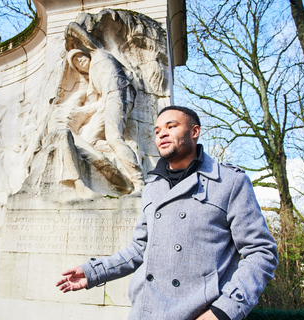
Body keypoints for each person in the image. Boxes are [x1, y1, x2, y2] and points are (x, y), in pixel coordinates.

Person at [56, 106, 278, 320]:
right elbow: (139, 249)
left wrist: (225, 311)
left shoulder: (230, 182)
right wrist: (94, 272)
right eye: (157, 130)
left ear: (194, 132)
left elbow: (261, 252)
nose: (162, 134)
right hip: (144, 312)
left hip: (199, 313)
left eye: (171, 126)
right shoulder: (153, 186)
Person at [65, 22, 145, 193]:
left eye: (79, 56)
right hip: (107, 102)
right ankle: (129, 150)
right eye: (76, 63)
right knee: (87, 139)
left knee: (113, 137)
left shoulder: (98, 53)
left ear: (85, 53)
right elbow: (93, 102)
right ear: (78, 70)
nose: (80, 61)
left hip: (118, 94)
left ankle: (139, 182)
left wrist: (70, 34)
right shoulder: (92, 81)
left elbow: (78, 31)